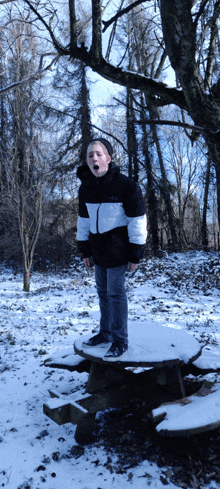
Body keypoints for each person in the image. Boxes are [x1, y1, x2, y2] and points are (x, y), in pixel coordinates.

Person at [76, 137, 147, 358]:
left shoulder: (126, 186)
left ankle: (119, 340)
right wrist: (85, 250)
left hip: (119, 251)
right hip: (98, 252)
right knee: (102, 293)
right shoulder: (86, 188)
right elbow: (84, 221)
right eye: (90, 155)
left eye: (98, 154)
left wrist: (136, 252)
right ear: (87, 161)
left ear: (108, 157)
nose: (94, 158)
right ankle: (105, 333)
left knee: (115, 294)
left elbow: (138, 220)